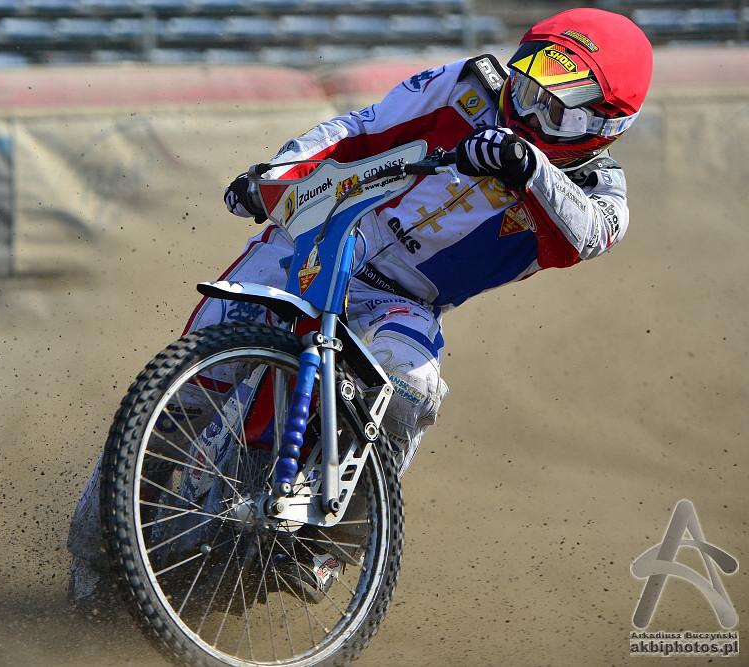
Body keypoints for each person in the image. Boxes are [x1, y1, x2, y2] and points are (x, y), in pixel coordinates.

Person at [68, 7, 654, 604]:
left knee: (413, 389)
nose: (526, 111)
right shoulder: (470, 85)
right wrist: (276, 175)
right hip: (320, 240)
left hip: (403, 300)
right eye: (526, 87)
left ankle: (328, 544)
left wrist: (529, 167)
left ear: (605, 125)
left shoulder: (600, 196)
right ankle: (90, 554)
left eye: (553, 109)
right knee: (187, 390)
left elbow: (585, 236)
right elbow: (360, 129)